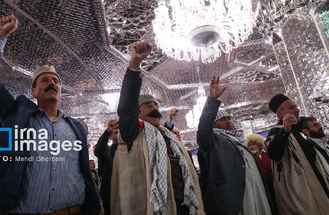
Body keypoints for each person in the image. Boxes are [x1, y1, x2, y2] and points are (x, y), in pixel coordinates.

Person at [0, 14, 102, 214]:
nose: (52, 83)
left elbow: (83, 173)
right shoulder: (16, 115)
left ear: (60, 91)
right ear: (33, 92)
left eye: (55, 80)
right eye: (44, 80)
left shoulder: (78, 128)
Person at [111, 41, 204, 215]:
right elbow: (126, 108)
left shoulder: (168, 135)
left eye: (155, 105)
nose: (154, 108)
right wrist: (134, 65)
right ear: (137, 113)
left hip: (182, 205)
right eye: (148, 106)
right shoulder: (134, 132)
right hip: (152, 206)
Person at [197, 76, 275, 215]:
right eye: (222, 119)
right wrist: (212, 101)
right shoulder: (213, 140)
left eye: (228, 118)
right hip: (235, 198)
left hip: (257, 191)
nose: (228, 122)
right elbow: (203, 132)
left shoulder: (238, 140)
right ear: (213, 123)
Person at [266, 94, 328, 214]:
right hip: (299, 191)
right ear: (280, 115)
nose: (297, 110)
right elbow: (274, 154)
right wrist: (285, 131)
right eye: (292, 108)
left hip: (316, 181)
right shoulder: (276, 131)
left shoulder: (299, 129)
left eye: (296, 106)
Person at [94, 119, 119, 215]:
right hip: (109, 198)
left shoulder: (129, 150)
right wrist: (107, 131)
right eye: (114, 133)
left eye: (118, 132)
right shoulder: (107, 152)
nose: (116, 135)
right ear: (110, 137)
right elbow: (98, 151)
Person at [245, 133, 275, 206]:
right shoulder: (250, 159)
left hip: (274, 185)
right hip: (262, 187)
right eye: (249, 145)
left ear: (259, 145)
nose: (251, 147)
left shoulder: (267, 155)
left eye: (253, 144)